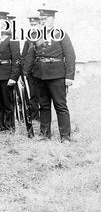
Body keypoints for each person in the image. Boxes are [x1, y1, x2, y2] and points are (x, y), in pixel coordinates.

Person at [24, 9, 75, 143]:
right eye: (42, 19)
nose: (43, 21)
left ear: (53, 19)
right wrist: (25, 73)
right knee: (44, 106)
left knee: (60, 106)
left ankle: (65, 137)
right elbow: (30, 55)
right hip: (39, 75)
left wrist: (69, 77)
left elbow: (70, 56)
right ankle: (44, 134)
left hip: (57, 76)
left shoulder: (61, 34)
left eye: (46, 19)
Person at [21, 15, 41, 121]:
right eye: (31, 25)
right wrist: (24, 71)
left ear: (40, 24)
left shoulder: (43, 36)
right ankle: (34, 115)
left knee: (42, 94)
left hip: (41, 70)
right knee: (33, 93)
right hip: (30, 71)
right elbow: (24, 54)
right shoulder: (29, 37)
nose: (33, 27)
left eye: (35, 24)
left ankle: (43, 116)